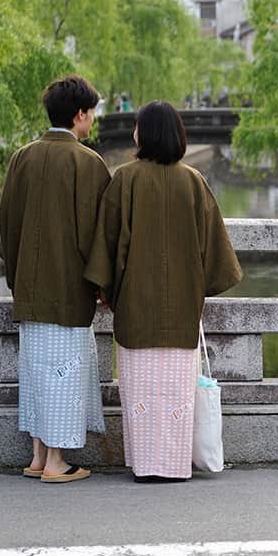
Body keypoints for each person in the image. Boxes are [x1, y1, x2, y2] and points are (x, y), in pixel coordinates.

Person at [86, 101, 243, 481]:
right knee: (175, 394)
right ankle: (173, 465)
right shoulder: (193, 181)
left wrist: (105, 289)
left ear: (144, 134)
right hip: (181, 309)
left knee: (141, 393)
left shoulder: (125, 179)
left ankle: (145, 465)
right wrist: (195, 286)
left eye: (137, 126)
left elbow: (109, 242)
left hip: (136, 307)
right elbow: (214, 249)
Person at [0, 75, 111, 484]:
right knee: (65, 373)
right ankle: (57, 462)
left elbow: (8, 224)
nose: (92, 121)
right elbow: (99, 234)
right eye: (91, 113)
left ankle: (37, 455)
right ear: (79, 115)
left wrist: (17, 275)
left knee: (36, 372)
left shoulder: (22, 158)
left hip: (30, 288)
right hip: (68, 290)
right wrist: (102, 285)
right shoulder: (88, 163)